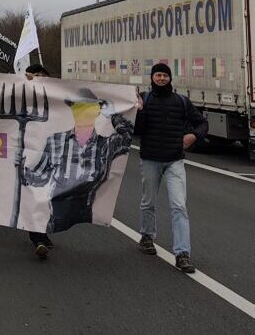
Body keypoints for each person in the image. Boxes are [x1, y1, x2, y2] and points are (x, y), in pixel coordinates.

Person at [23, 87, 133, 244]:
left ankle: (40, 237)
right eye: (78, 107)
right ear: (73, 111)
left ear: (96, 111)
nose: (83, 112)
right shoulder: (55, 141)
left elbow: (127, 137)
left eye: (88, 107)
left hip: (86, 210)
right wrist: (22, 170)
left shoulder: (106, 144)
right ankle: (38, 237)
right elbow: (39, 176)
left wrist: (113, 115)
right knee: (43, 218)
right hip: (55, 210)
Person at [135, 63, 208, 273]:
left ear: (170, 78)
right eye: (157, 75)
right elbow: (137, 130)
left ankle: (182, 253)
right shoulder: (145, 99)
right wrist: (139, 112)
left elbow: (202, 123)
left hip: (175, 160)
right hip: (150, 159)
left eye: (164, 75)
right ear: (152, 77)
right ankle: (147, 237)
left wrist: (194, 135)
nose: (161, 78)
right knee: (148, 201)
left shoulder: (181, 102)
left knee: (179, 206)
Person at [23, 64, 55, 258]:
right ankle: (38, 237)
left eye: (42, 76)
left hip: (51, 153)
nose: (39, 78)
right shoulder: (22, 94)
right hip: (29, 153)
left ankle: (42, 233)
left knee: (47, 197)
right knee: (34, 195)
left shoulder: (55, 96)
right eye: (35, 75)